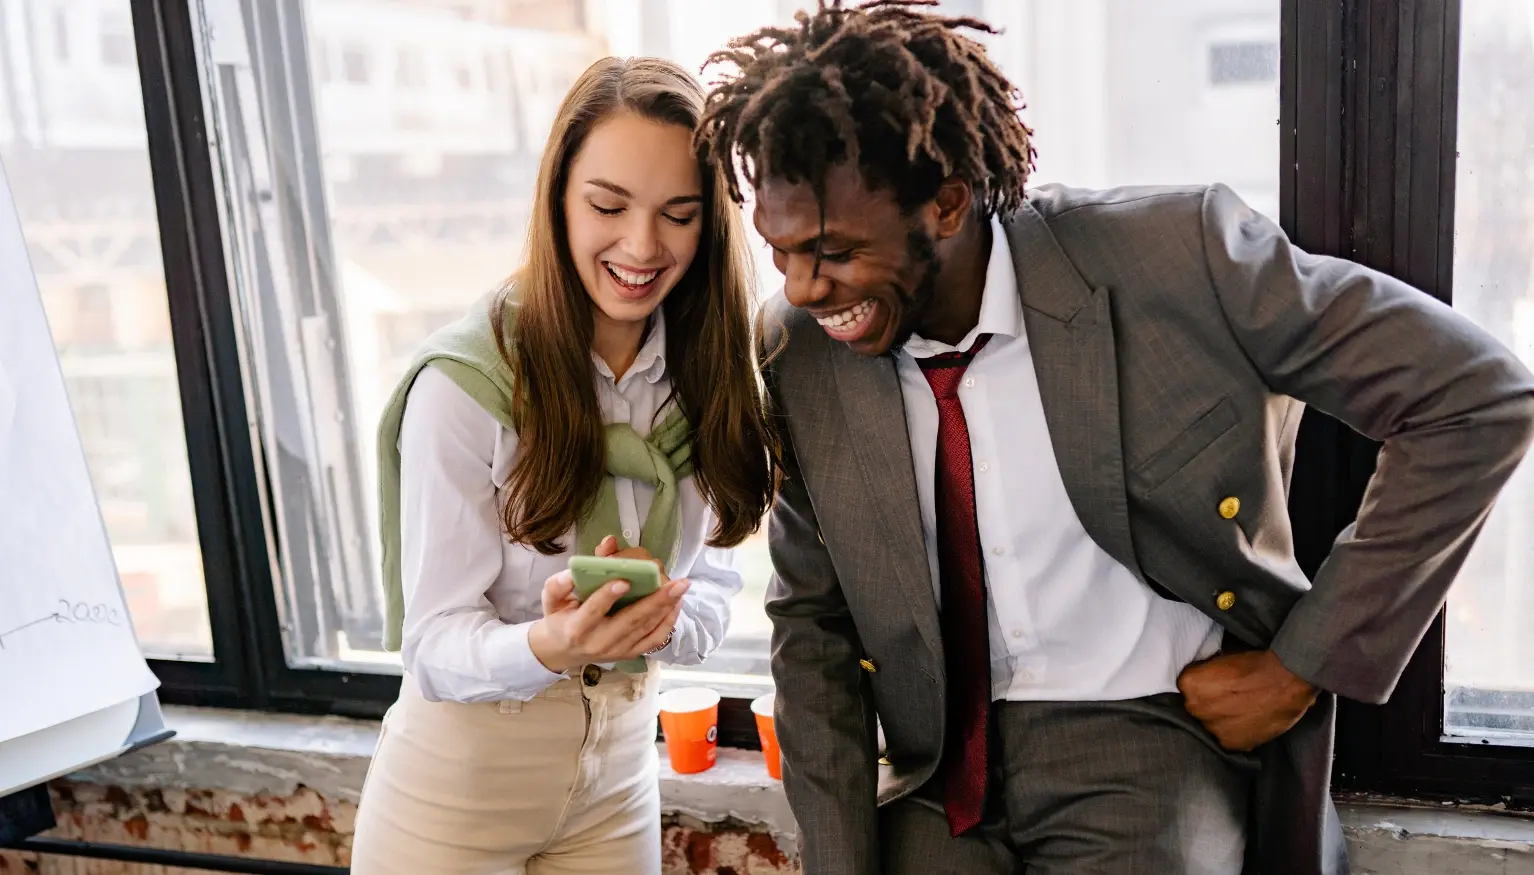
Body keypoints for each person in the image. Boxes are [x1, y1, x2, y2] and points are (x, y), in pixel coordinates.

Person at [694, 3, 1534, 874]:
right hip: (935, 772)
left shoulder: (1180, 258)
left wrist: (1300, 667)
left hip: (1146, 736)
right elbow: (813, 623)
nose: (803, 288)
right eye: (780, 253)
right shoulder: (799, 348)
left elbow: (1475, 398)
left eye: (831, 253)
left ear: (946, 205)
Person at [350, 56, 776, 875]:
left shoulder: (709, 377)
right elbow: (432, 643)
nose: (642, 245)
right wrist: (550, 643)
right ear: (557, 201)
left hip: (616, 778)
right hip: (457, 795)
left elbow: (718, 581)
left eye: (679, 214)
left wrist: (661, 621)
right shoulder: (466, 384)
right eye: (608, 206)